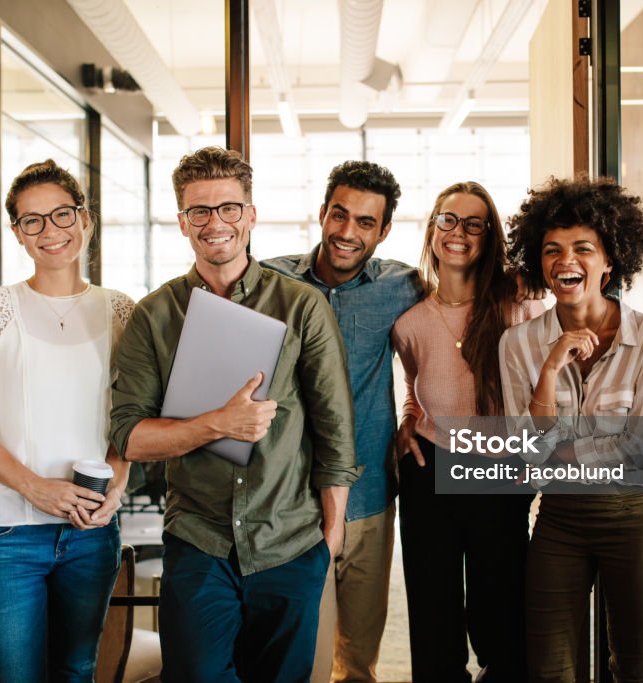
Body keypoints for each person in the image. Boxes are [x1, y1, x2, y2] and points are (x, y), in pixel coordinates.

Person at [109, 146, 358, 683]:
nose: (214, 222)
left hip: (290, 541)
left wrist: (329, 542)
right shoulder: (154, 315)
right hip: (200, 542)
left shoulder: (300, 306)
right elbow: (128, 436)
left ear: (250, 214)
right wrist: (217, 424)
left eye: (228, 208)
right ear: (182, 222)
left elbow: (335, 432)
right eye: (199, 211)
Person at [0, 159, 133, 683]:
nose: (51, 231)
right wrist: (34, 488)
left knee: (76, 670)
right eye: (33, 221)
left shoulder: (119, 311)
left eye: (62, 215)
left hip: (90, 532)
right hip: (7, 533)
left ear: (85, 220)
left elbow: (131, 416)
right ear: (18, 234)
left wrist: (120, 478)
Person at [499, 176, 643, 683]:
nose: (565, 261)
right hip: (559, 521)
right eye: (552, 250)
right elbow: (525, 452)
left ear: (610, 260)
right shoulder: (519, 345)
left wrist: (563, 455)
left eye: (582, 248)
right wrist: (550, 368)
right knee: (549, 669)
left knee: (637, 668)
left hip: (636, 517)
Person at [263, 160, 424, 683]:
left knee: (356, 658)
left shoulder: (404, 286)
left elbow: (454, 332)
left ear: (384, 230)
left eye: (365, 222)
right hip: (289, 499)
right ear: (322, 213)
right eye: (340, 215)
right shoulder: (269, 282)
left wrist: (414, 413)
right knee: (294, 654)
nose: (347, 232)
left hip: (370, 493)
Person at [391, 181, 541, 683]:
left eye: (474, 223)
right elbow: (415, 384)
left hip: (499, 466)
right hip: (427, 469)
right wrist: (407, 419)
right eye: (448, 220)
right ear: (433, 228)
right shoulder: (409, 322)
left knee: (501, 613)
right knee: (433, 615)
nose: (459, 232)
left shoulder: (518, 304)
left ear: (488, 235)